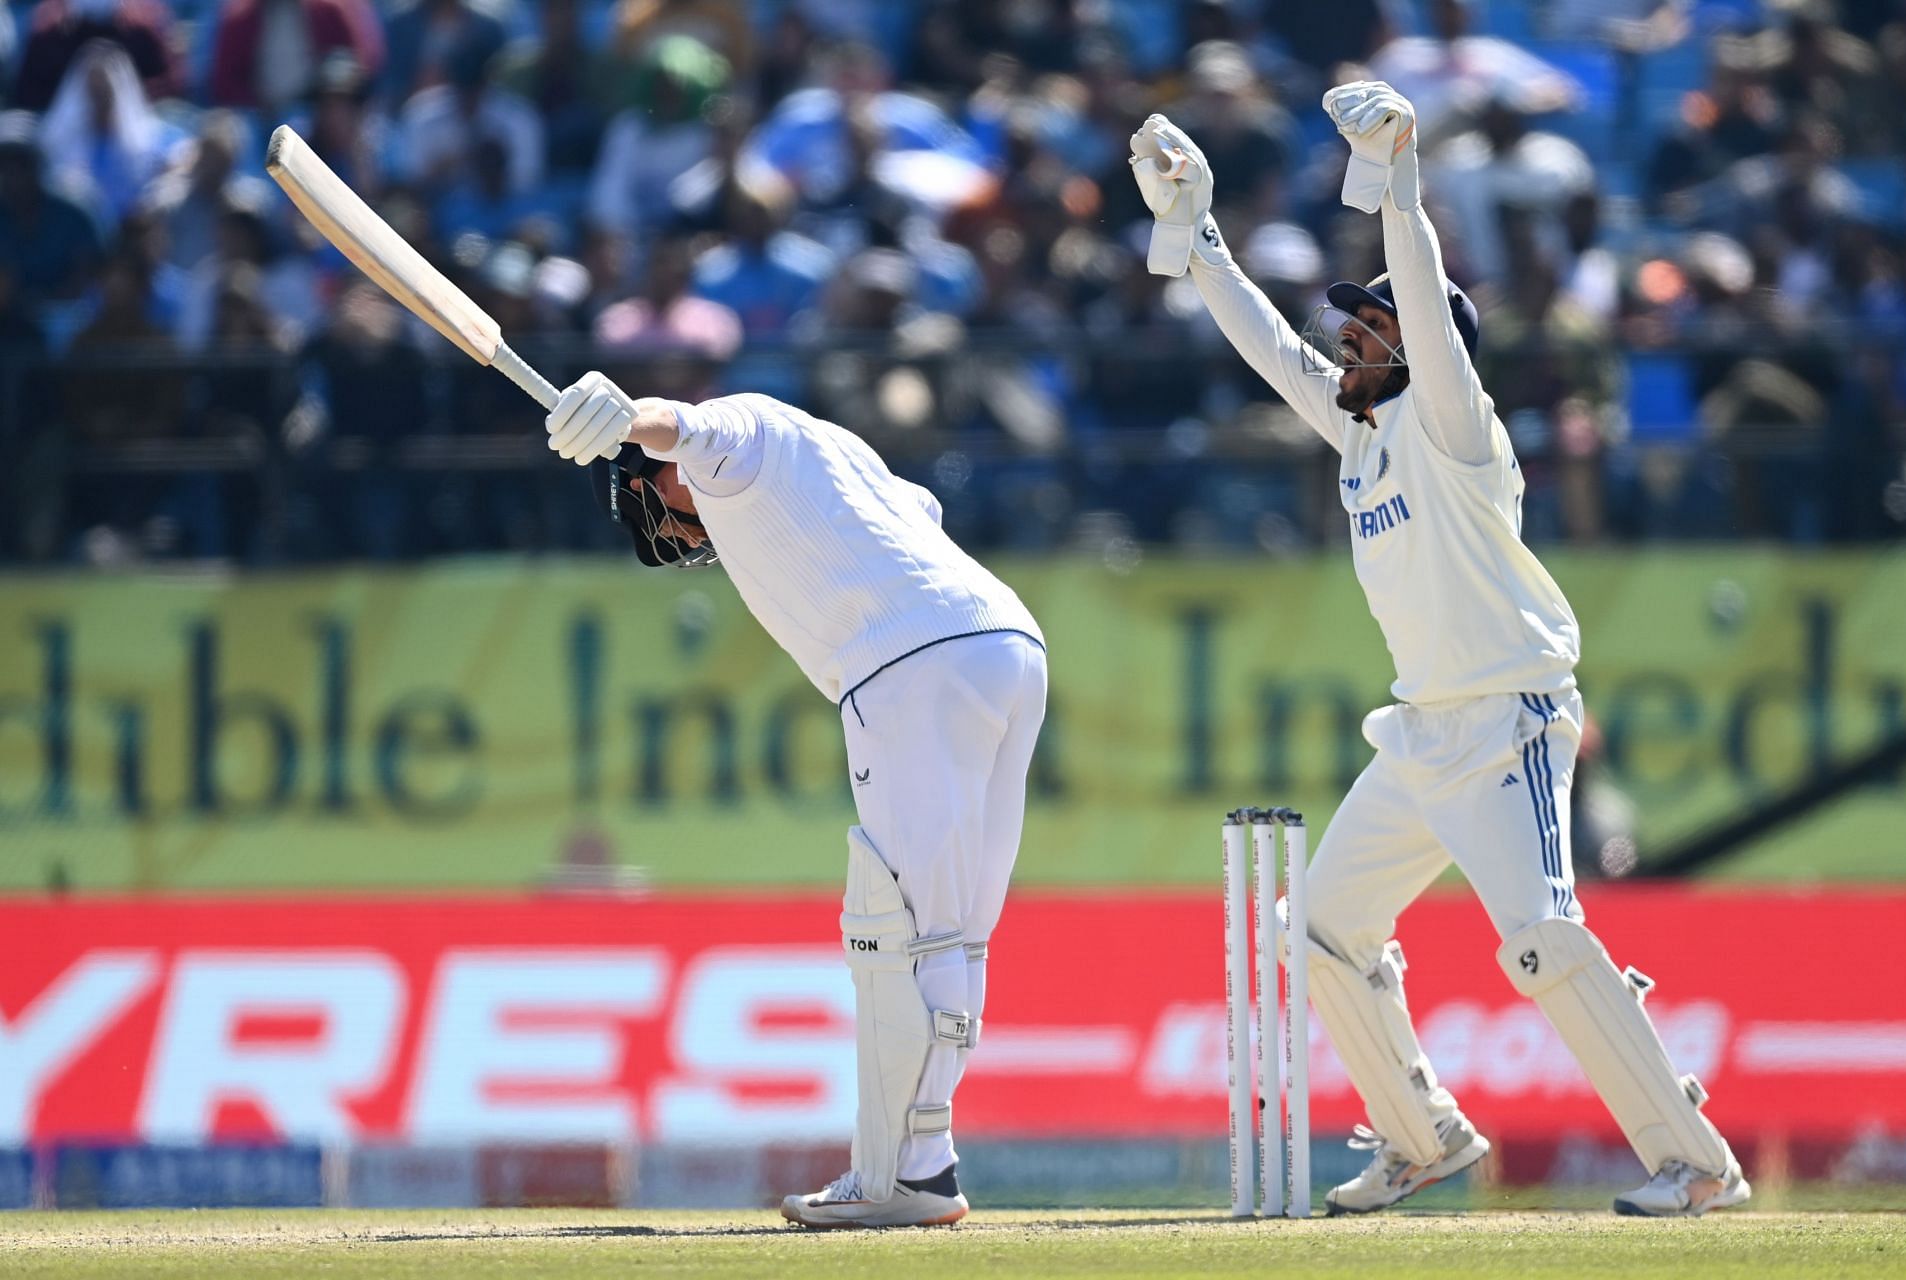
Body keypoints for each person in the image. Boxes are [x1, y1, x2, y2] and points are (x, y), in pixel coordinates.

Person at [1129, 83, 1751, 1219]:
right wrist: (1198, 234)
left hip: (1509, 718)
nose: (1349, 339)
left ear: (1424, 350)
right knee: (1315, 925)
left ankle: (1698, 1162)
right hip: (1421, 732)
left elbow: (1416, 290)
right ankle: (1424, 1136)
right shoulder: (1360, 435)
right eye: (1353, 328)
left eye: (1371, 328)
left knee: (1545, 939)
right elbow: (1274, 351)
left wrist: (1399, 175)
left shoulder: (1456, 426)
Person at [540, 376, 1048, 1229]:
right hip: (1006, 643)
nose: (654, 518)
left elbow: (691, 429)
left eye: (642, 490)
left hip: (905, 663)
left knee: (895, 925)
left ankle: (902, 1176)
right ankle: (923, 1161)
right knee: (955, 932)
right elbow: (918, 508)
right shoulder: (835, 454)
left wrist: (632, 419)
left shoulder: (745, 434)